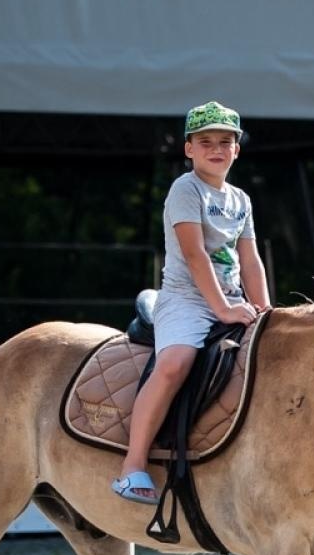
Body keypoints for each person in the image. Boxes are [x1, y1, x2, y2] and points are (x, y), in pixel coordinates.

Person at [112, 101, 269, 503]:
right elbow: (195, 254)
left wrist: (266, 310)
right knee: (174, 363)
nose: (215, 148)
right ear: (189, 149)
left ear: (236, 149)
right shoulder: (186, 189)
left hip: (232, 298)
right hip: (187, 301)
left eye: (224, 141)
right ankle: (132, 465)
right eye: (205, 142)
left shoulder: (241, 200)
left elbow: (250, 259)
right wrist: (221, 309)